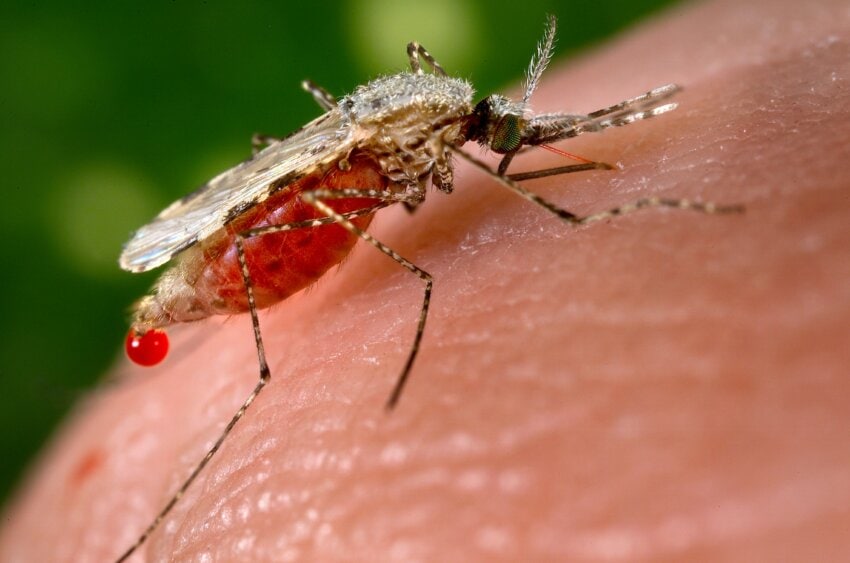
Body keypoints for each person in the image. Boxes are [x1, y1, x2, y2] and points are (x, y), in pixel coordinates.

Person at [3, 0, 849, 559]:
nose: (505, 143)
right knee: (310, 298)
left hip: (328, 181)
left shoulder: (441, 108)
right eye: (502, 133)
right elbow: (442, 158)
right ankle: (228, 419)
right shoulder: (439, 120)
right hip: (284, 217)